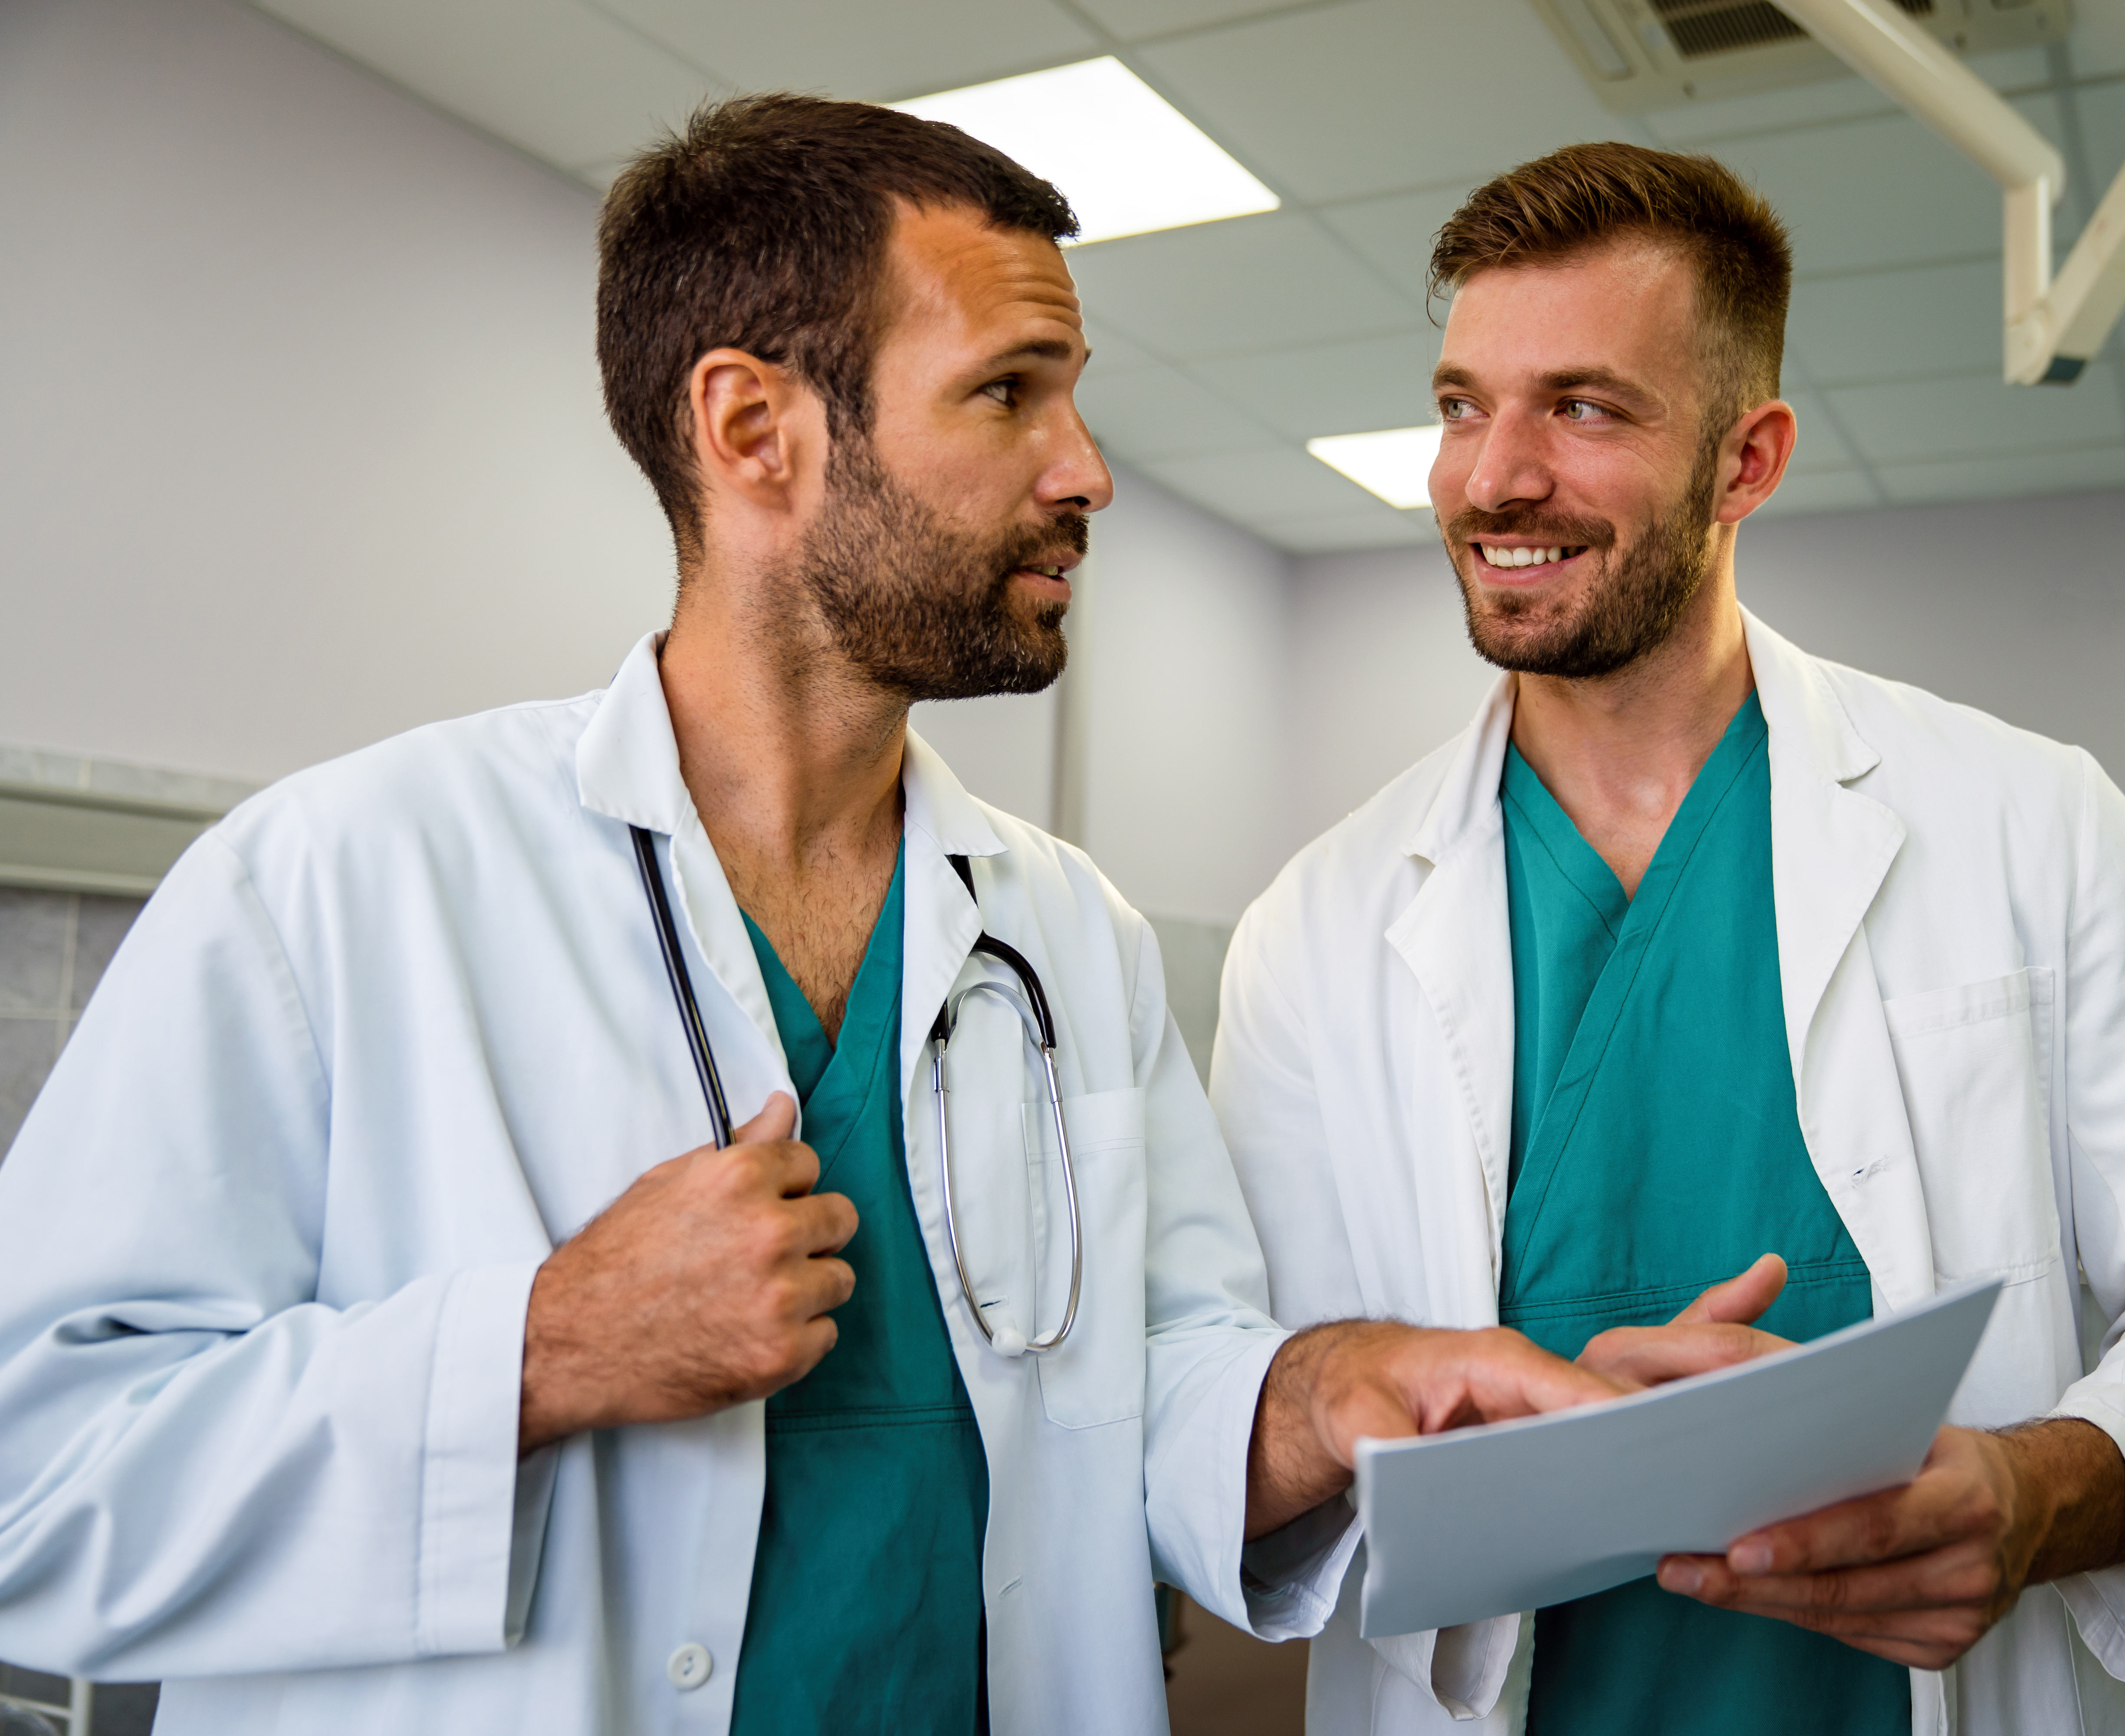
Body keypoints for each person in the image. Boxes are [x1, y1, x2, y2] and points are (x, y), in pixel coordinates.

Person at [0, 98, 1621, 1735]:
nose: (1086, 471)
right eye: (1008, 392)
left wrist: (1333, 1394)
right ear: (753, 427)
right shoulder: (341, 881)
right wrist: (545, 1351)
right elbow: (36, 1493)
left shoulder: (1069, 931)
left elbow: (1154, 1389)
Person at [1209, 142, 2125, 1736]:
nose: (1493, 477)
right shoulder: (1317, 926)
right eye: (1464, 405)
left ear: (1746, 462)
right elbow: (1240, 1399)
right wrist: (1366, 1409)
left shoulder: (2028, 820)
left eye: (1583, 408)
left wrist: (2035, 1494)